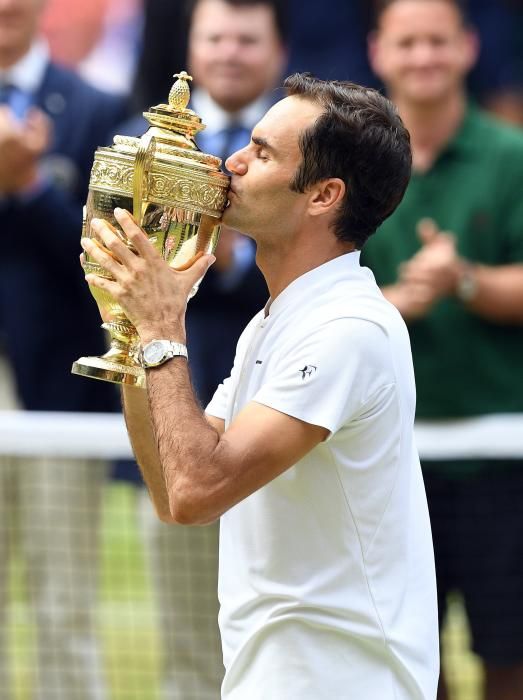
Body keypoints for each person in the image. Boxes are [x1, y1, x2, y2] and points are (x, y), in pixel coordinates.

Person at [81, 72, 439, 699]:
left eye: (264, 153)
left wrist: (165, 325)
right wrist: (135, 332)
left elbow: (197, 490)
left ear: (324, 195)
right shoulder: (277, 321)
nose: (233, 162)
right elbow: (172, 491)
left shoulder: (348, 329)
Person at [115, 1, 287, 697]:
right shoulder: (139, 144)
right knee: (188, 637)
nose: (230, 51)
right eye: (214, 36)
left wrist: (228, 262)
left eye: (247, 38)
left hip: (281, 422)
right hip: (175, 412)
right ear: (191, 47)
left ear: (276, 50)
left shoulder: (312, 149)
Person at [363, 1, 523, 698]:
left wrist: (461, 279)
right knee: (406, 663)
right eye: (407, 42)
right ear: (377, 53)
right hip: (383, 464)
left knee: (508, 655)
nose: (422, 56)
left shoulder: (511, 155)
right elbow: (304, 286)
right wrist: (392, 305)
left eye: (437, 41)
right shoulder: (348, 161)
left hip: (500, 455)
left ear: (466, 48)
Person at [0, 0, 126, 697]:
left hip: (57, 384)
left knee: (63, 601)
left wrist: (25, 185)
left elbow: (105, 262)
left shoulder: (97, 108)